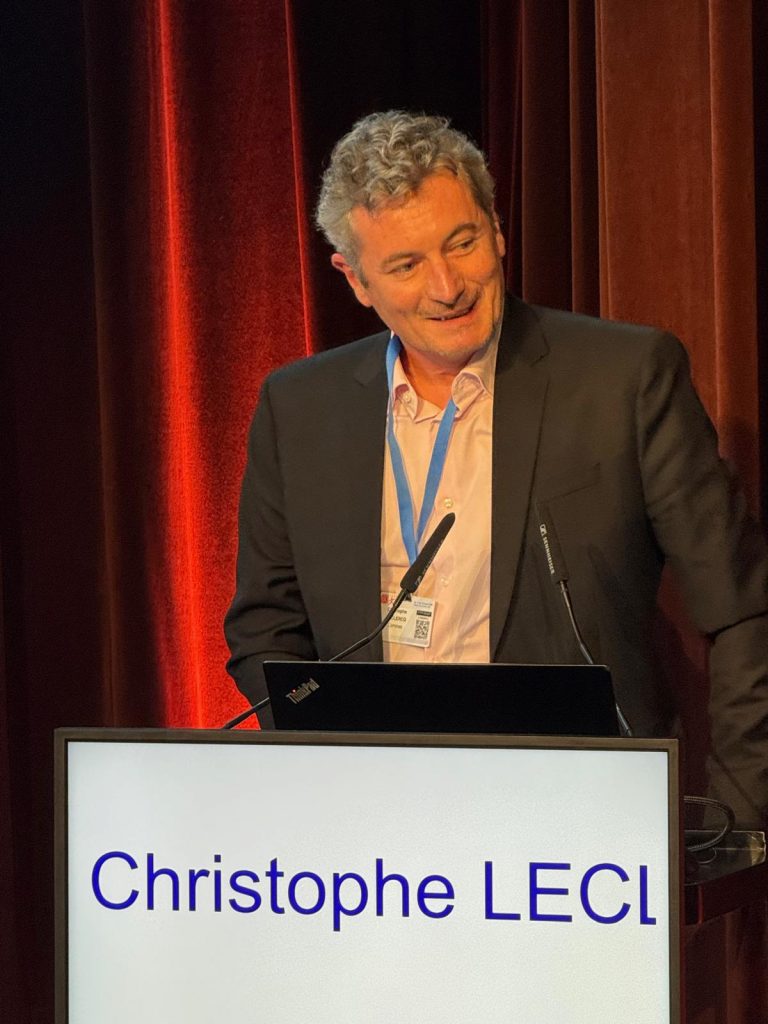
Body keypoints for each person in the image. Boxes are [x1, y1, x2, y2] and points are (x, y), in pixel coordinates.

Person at [225, 111, 768, 824]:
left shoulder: (623, 379)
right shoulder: (298, 407)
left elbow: (741, 607)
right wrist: (330, 772)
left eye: (463, 243)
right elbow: (266, 628)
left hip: (581, 817)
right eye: (406, 266)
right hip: (371, 822)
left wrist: (740, 814)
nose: (447, 286)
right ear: (355, 279)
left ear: (497, 229)